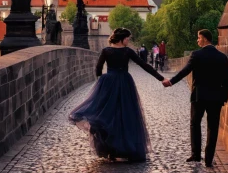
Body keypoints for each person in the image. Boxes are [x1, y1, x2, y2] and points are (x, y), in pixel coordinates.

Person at [69, 28, 165, 162]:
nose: (128, 41)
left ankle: (110, 150)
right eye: (127, 38)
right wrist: (161, 78)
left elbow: (98, 68)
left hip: (108, 83)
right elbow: (144, 65)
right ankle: (126, 148)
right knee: (125, 115)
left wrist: (101, 82)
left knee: (108, 114)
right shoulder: (127, 52)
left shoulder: (106, 51)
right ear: (122, 39)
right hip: (125, 83)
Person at [163, 29, 228, 168]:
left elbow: (185, 71)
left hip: (199, 96)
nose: (197, 40)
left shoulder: (197, 55)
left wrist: (171, 81)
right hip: (216, 98)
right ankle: (209, 159)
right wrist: (223, 98)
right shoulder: (222, 57)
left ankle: (196, 154)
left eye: (199, 38)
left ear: (205, 39)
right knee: (213, 127)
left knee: (195, 124)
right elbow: (227, 80)